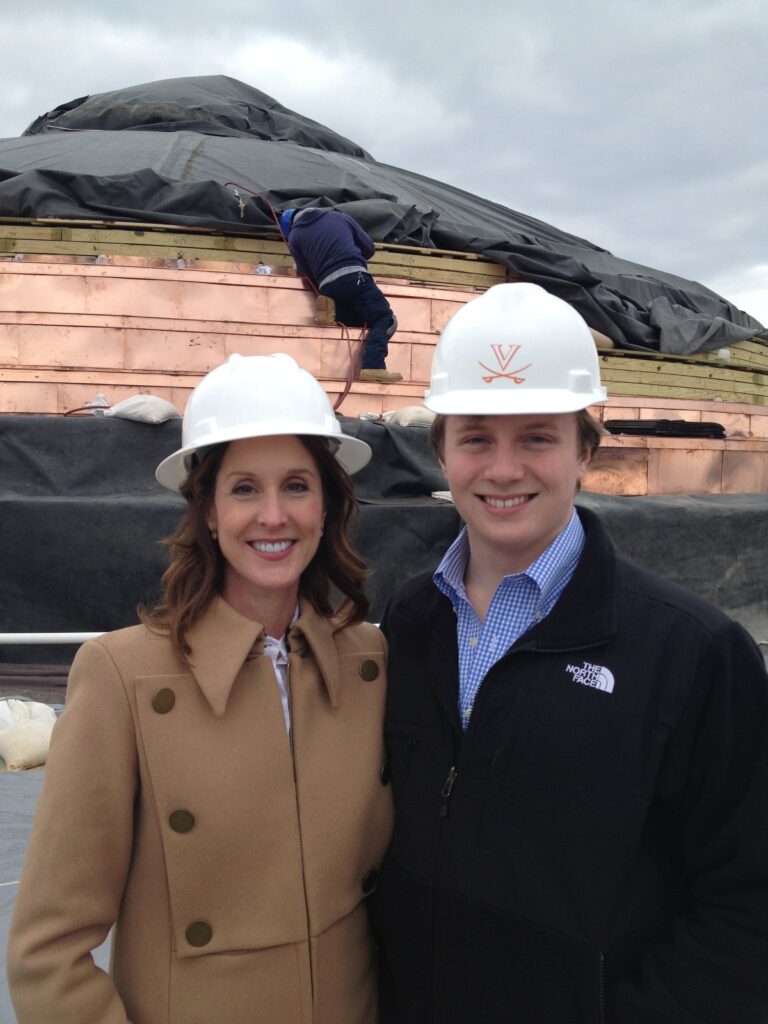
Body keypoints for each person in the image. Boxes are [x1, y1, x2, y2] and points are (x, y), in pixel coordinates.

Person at [369, 283, 768, 1023]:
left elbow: (747, 906)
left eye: (538, 438)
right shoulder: (406, 623)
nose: (505, 469)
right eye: (478, 437)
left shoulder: (694, 655)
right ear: (441, 453)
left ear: (586, 448)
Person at [7, 353, 394, 1024]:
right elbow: (48, 955)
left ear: (328, 505)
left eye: (297, 485)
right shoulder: (121, 677)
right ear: (208, 512)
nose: (273, 515)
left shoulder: (373, 662)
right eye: (244, 488)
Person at [279, 206, 403, 384]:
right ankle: (374, 367)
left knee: (362, 320)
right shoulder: (339, 218)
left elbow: (305, 274)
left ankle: (334, 312)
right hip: (356, 276)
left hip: (327, 286)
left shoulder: (295, 238)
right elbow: (368, 248)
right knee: (385, 318)